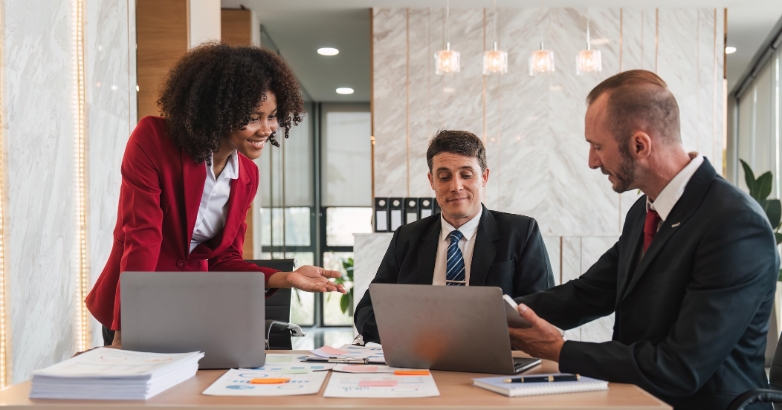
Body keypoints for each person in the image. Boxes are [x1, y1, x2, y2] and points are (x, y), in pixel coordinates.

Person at [508, 70, 779, 410]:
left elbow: (681, 367)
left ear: (640, 145)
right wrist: (497, 315)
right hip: (637, 399)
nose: (592, 161)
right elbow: (587, 294)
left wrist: (560, 350)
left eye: (597, 146)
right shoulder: (643, 211)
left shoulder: (736, 225)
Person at [85, 43, 345, 348]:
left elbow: (224, 259)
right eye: (253, 116)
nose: (266, 129)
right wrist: (125, 334)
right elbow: (142, 239)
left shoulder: (247, 176)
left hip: (194, 311)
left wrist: (285, 278)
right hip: (136, 311)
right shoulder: (152, 140)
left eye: (272, 116)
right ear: (217, 111)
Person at [354, 130, 554, 343]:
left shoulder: (521, 232)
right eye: (444, 177)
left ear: (484, 177)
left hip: (494, 360)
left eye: (466, 175)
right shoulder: (407, 237)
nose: (455, 186)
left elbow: (542, 310)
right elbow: (367, 309)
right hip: (421, 358)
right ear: (432, 181)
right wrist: (409, 335)